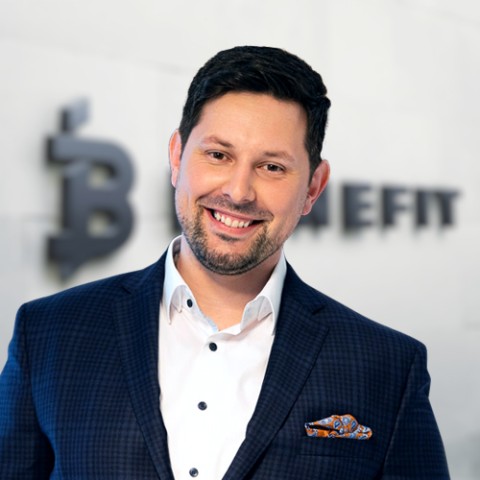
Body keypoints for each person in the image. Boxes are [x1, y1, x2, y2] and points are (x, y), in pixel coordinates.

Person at [0, 46, 449, 479]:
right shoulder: (49, 333)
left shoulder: (389, 366)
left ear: (313, 187)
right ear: (177, 156)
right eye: (218, 155)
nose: (238, 191)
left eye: (272, 167)